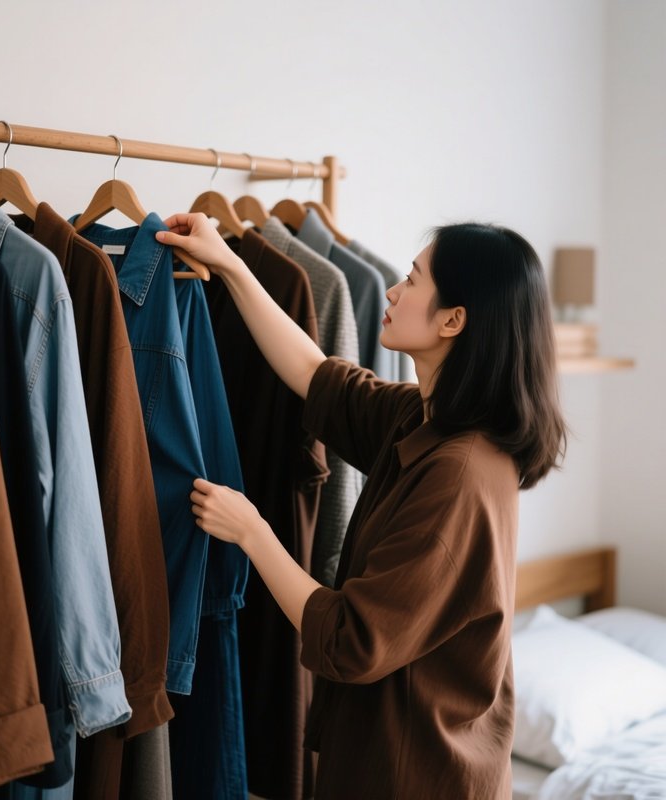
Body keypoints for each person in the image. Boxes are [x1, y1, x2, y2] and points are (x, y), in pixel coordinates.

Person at [155, 215, 567, 799]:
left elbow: (351, 640)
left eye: (413, 280)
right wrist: (229, 264)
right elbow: (314, 375)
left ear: (454, 319)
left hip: (415, 773)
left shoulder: (458, 473)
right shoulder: (428, 422)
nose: (392, 292)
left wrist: (253, 532)